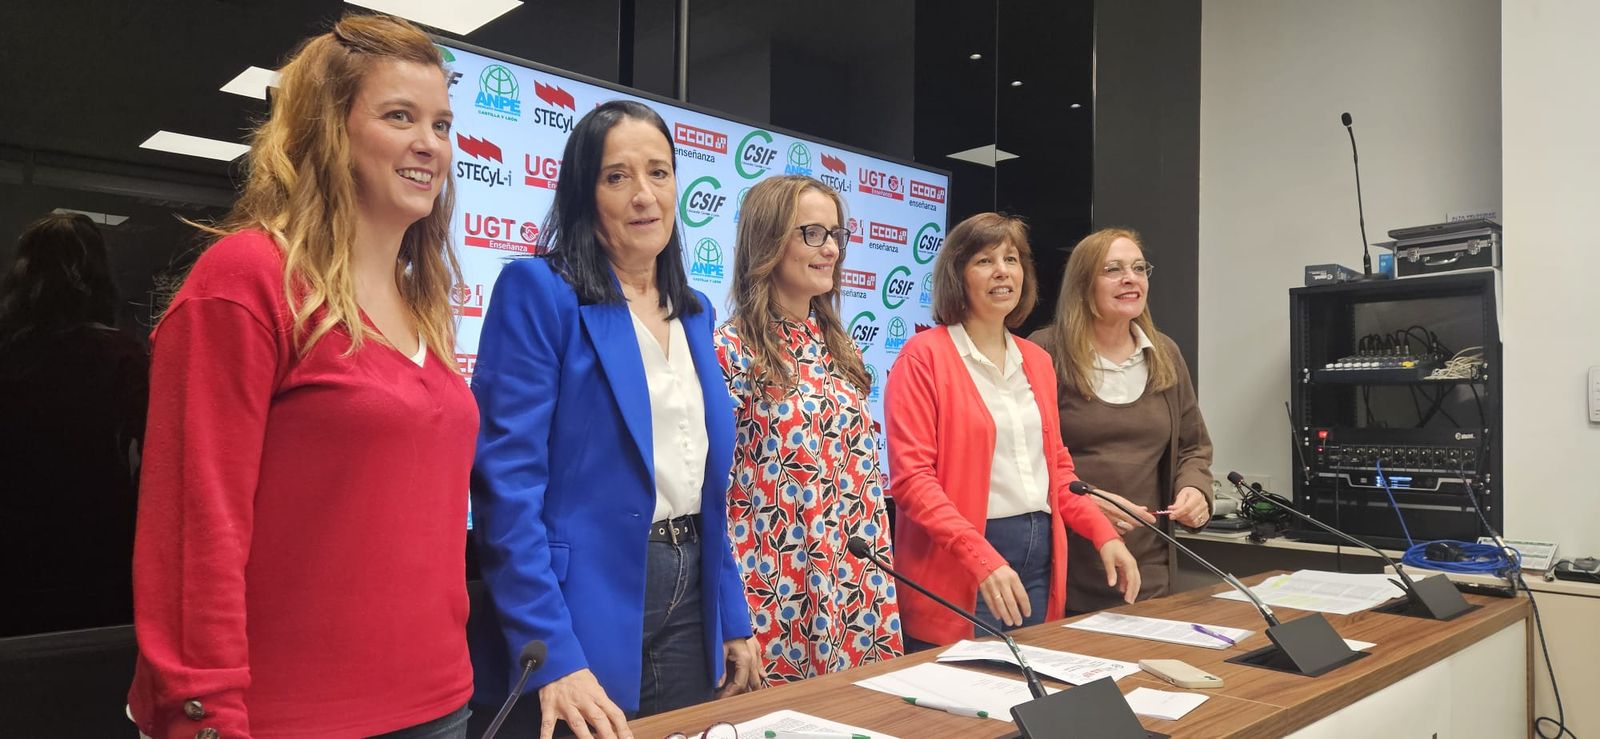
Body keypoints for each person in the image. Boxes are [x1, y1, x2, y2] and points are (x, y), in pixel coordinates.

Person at [125, 14, 478, 738]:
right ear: (329, 130)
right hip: (285, 718)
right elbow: (196, 534)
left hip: (440, 705)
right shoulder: (246, 280)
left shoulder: (425, 306)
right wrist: (205, 717)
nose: (429, 144)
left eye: (442, 124)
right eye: (399, 116)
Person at [470, 99, 759, 739]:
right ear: (583, 191)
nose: (643, 196)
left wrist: (732, 615)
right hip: (578, 604)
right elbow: (506, 491)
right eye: (616, 177)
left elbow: (702, 484)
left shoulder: (696, 311)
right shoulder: (539, 292)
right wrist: (553, 653)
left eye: (659, 172)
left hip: (691, 591)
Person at [884, 212, 1141, 649]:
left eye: (1012, 259)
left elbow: (1057, 471)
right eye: (985, 260)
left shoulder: (1035, 361)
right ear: (957, 275)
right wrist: (981, 557)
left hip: (1038, 559)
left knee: (1030, 698)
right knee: (968, 706)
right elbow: (912, 481)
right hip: (963, 562)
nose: (1003, 270)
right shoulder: (923, 357)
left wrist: (1104, 533)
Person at [713, 175, 903, 684]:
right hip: (776, 588)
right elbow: (713, 491)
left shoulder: (843, 348)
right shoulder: (729, 349)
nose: (831, 250)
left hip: (856, 583)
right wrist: (730, 614)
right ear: (768, 241)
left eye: (837, 235)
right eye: (812, 234)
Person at [1030, 227, 1214, 613]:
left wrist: (1196, 490)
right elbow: (1023, 458)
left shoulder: (1164, 353)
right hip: (1066, 571)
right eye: (1113, 269)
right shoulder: (1044, 352)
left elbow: (1193, 447)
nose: (1130, 278)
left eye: (1139, 268)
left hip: (1149, 572)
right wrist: (1085, 500)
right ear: (1083, 284)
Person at [0, 212, 146, 637]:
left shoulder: (8, 352)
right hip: (96, 552)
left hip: (12, 549)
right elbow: (158, 458)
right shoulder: (120, 356)